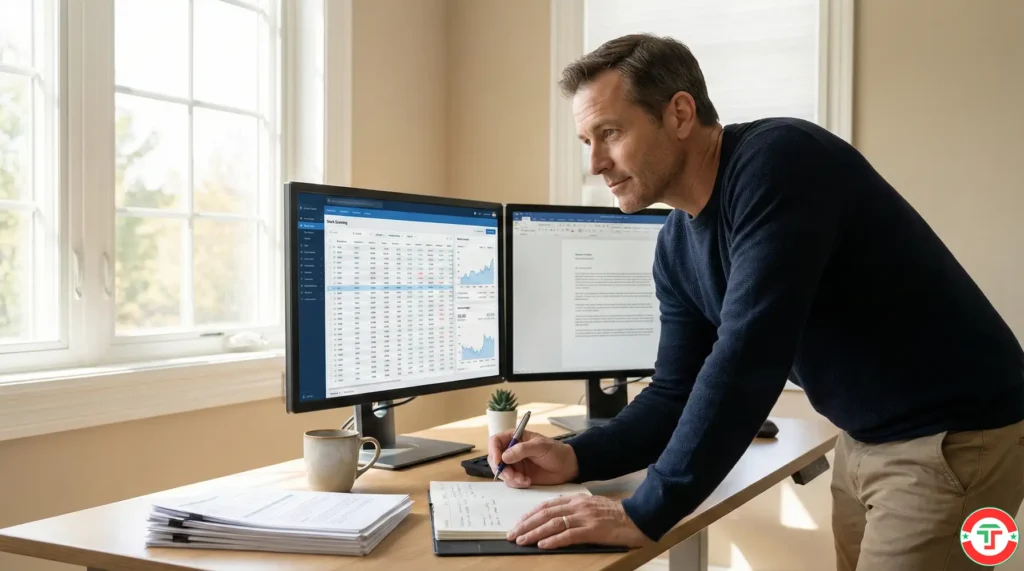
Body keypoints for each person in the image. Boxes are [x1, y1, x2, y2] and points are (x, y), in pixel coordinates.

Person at [487, 33, 1024, 570]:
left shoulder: (780, 162)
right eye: (586, 141)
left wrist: (645, 512)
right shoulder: (676, 245)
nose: (595, 164)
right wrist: (576, 456)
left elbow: (749, 357)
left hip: (957, 437)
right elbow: (675, 390)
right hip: (866, 439)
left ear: (679, 114)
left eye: (610, 133)